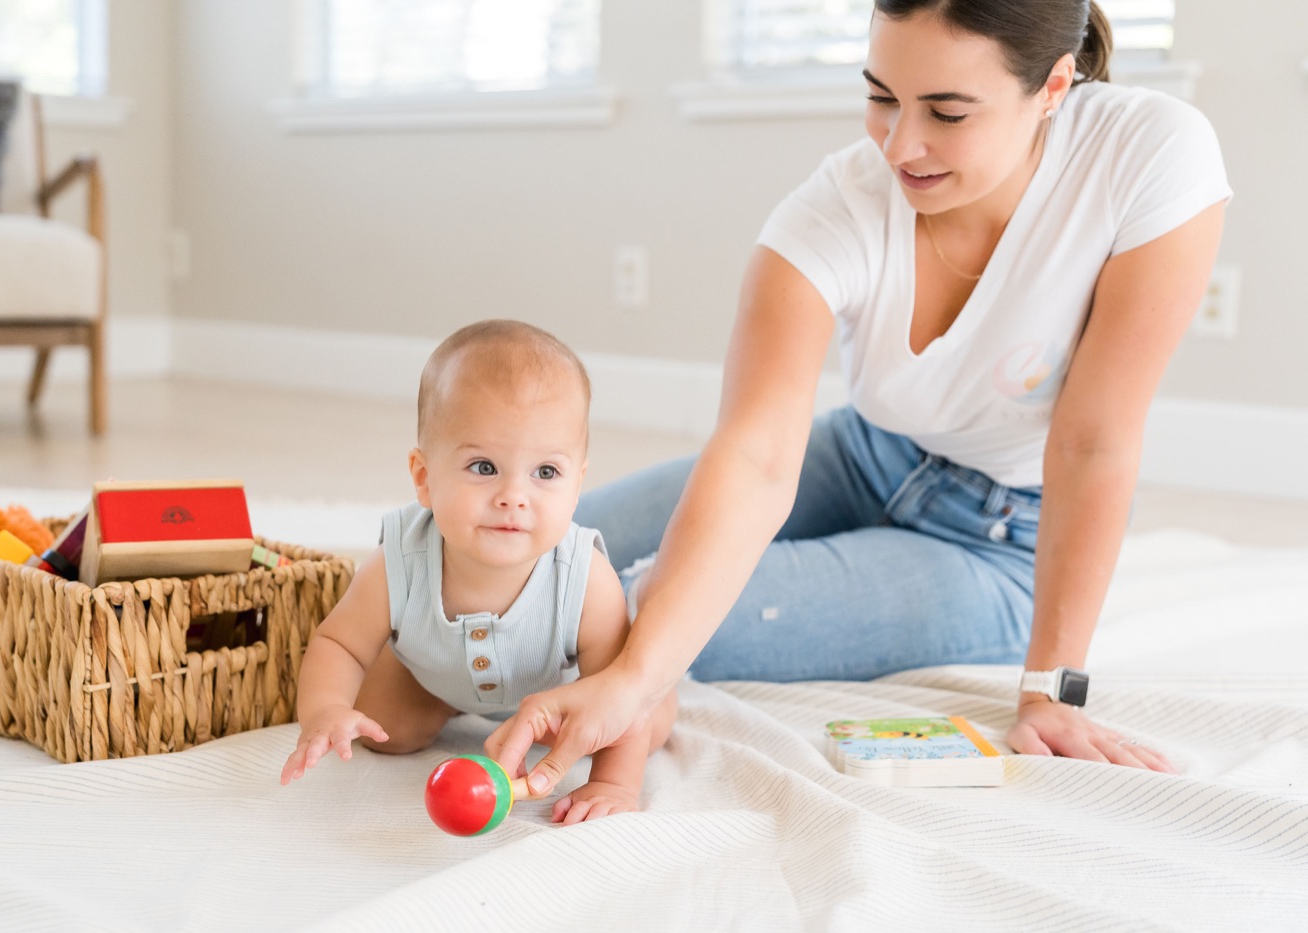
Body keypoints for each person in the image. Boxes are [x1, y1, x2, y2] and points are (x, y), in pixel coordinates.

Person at [489, 0, 1230, 800]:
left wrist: (1051, 689)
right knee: (528, 538)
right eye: (881, 96)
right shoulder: (835, 207)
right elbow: (756, 456)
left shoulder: (1152, 154)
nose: (901, 145)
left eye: (947, 112)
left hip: (1003, 542)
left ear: (1053, 87)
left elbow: (1094, 440)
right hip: (863, 452)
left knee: (612, 612)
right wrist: (640, 669)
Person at [279, 319, 676, 825]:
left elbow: (614, 686)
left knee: (644, 718)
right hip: (433, 678)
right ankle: (436, 702)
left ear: (577, 485)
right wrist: (325, 710)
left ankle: (658, 706)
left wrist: (612, 784)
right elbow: (339, 644)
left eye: (545, 473)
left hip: (561, 694)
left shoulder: (585, 579)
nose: (514, 495)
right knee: (382, 727)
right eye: (484, 467)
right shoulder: (399, 560)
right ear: (424, 479)